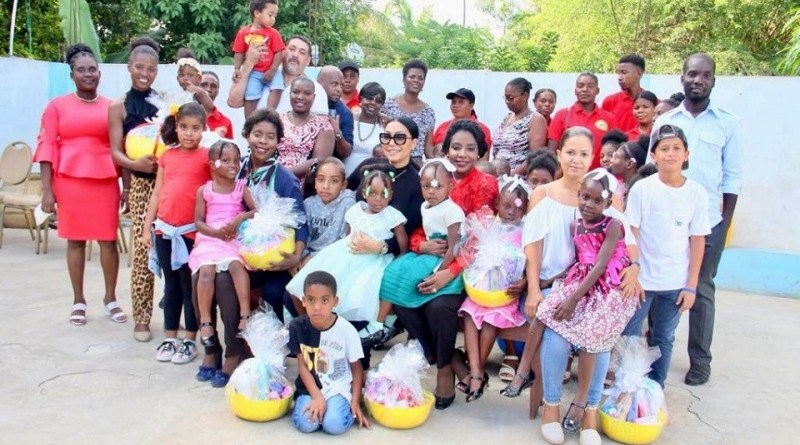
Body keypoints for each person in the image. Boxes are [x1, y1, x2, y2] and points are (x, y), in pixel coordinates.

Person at [516, 127, 640, 443]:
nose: (576, 159)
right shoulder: (544, 194)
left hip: (595, 289)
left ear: (593, 158)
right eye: (570, 151)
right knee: (557, 336)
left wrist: (635, 268)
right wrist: (533, 289)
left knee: (597, 340)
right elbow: (533, 245)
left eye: (584, 153)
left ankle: (588, 412)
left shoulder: (602, 196)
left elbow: (629, 241)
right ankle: (552, 407)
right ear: (559, 154)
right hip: (550, 284)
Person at [380, 119, 498, 410]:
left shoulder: (485, 184)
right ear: (446, 150)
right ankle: (447, 356)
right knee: (400, 294)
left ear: (481, 152)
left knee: (439, 307)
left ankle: (444, 368)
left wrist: (450, 272)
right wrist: (421, 244)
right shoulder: (436, 178)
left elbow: (478, 236)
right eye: (456, 147)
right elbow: (423, 225)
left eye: (470, 149)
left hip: (469, 265)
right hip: (431, 258)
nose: (462, 154)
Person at [652, 53, 741, 386]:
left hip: (710, 222)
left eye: (705, 75)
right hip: (665, 221)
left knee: (701, 289)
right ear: (682, 79)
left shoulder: (727, 123)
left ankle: (700, 361)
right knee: (660, 286)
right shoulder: (666, 121)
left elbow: (732, 178)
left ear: (713, 81)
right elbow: (652, 170)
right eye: (692, 74)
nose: (698, 80)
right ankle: (654, 354)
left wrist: (725, 223)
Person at [35, 43, 125, 326]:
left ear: (100, 72)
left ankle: (110, 298)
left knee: (108, 241)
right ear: (72, 74)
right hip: (69, 180)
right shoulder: (56, 106)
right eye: (81, 70)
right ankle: (78, 300)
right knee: (75, 241)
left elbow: (119, 147)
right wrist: (47, 190)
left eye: (93, 69)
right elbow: (46, 145)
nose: (88, 74)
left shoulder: (112, 106)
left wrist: (126, 186)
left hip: (105, 180)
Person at [622, 124, 710, 387]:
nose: (670, 154)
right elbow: (631, 234)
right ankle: (626, 386)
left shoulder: (696, 193)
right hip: (642, 281)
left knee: (664, 337)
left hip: (675, 282)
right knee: (630, 335)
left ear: (686, 154)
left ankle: (655, 389)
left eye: (676, 149)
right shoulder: (642, 189)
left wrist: (691, 285)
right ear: (654, 155)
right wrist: (633, 270)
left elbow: (697, 240)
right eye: (664, 149)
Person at [286, 170, 407, 334]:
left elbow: (402, 243)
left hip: (374, 260)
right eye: (373, 193)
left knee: (358, 292)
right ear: (364, 193)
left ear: (391, 194)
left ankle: (371, 326)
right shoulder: (356, 210)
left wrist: (398, 260)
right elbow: (348, 235)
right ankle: (308, 325)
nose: (378, 199)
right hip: (346, 255)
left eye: (383, 194)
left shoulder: (392, 215)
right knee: (313, 279)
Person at [141, 102, 211, 364]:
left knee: (188, 287)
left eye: (195, 128)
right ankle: (170, 336)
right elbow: (158, 192)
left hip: (191, 233)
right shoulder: (167, 156)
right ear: (176, 127)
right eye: (184, 127)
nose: (189, 133)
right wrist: (148, 226)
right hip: (165, 231)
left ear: (204, 130)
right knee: (170, 287)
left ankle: (190, 340)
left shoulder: (206, 157)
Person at [109, 36, 161, 342]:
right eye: (139, 67)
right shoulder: (118, 106)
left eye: (151, 69)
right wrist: (134, 163)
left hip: (167, 183)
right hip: (141, 184)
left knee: (173, 251)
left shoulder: (164, 103)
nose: (145, 73)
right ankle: (141, 318)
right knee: (142, 251)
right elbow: (114, 151)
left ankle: (179, 317)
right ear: (129, 67)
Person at [458, 177, 530, 402]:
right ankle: (477, 371)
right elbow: (470, 251)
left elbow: (531, 262)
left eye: (518, 208)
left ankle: (474, 375)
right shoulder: (489, 226)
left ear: (525, 208)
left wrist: (526, 279)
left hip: (505, 296)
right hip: (481, 289)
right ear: (498, 204)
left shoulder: (526, 232)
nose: (511, 212)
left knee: (490, 320)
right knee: (469, 315)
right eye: (506, 206)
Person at [378, 159, 465, 341]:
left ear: (450, 186)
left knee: (410, 279)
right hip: (426, 253)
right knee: (392, 272)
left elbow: (455, 246)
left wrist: (441, 271)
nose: (431, 191)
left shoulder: (452, 211)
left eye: (437, 187)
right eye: (426, 187)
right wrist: (422, 247)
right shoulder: (424, 206)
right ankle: (380, 323)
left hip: (443, 259)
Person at [188, 141, 256, 349]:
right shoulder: (205, 191)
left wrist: (240, 218)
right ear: (212, 165)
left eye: (236, 160)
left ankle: (245, 315)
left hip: (232, 238)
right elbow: (198, 221)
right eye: (226, 160)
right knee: (206, 272)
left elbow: (256, 210)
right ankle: (206, 321)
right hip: (210, 238)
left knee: (237, 266)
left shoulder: (241, 187)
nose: (233, 165)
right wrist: (215, 233)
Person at [289, 271, 370, 434]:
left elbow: (356, 368)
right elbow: (303, 367)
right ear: (303, 301)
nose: (317, 307)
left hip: (337, 387)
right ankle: (319, 408)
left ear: (335, 301)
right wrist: (317, 397)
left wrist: (355, 401)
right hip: (310, 388)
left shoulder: (347, 330)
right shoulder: (297, 326)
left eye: (324, 300)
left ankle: (336, 410)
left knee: (333, 425)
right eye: (311, 300)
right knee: (307, 424)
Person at [228, 35, 328, 114]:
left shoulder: (315, 90)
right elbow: (233, 102)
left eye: (302, 52)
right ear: (283, 52)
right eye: (292, 49)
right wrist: (249, 63)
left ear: (308, 61)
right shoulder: (263, 76)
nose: (295, 55)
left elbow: (320, 128)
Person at [548, 73, 619, 170]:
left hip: (599, 177)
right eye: (580, 86)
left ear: (597, 91)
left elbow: (615, 150)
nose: (585, 89)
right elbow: (552, 151)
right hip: (568, 174)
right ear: (575, 90)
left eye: (590, 86)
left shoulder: (609, 118)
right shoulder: (562, 115)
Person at [232, 0, 285, 117]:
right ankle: (249, 124)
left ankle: (270, 114)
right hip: (254, 72)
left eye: (275, 16)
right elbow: (239, 52)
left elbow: (279, 53)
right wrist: (237, 69)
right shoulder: (243, 33)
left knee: (277, 88)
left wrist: (272, 70)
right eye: (270, 15)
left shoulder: (274, 33)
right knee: (250, 96)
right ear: (257, 13)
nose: (273, 19)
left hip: (272, 70)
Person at [277, 77, 335, 178]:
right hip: (269, 178)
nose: (300, 97)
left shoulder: (322, 125)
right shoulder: (277, 120)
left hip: (302, 183)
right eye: (295, 92)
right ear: (289, 94)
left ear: (314, 97)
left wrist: (283, 175)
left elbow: (319, 161)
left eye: (307, 93)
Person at [381, 59, 436, 163]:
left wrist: (437, 162)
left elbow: (428, 149)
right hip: (391, 160)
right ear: (404, 79)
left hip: (416, 164)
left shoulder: (428, 112)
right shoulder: (387, 105)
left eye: (420, 78)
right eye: (412, 76)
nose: (416, 80)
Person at [302, 158, 356, 260]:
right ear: (315, 182)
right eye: (321, 180)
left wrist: (313, 258)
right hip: (306, 255)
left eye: (334, 181)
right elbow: (301, 237)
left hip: (333, 257)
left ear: (343, 185)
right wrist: (302, 257)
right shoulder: (308, 203)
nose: (326, 186)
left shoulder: (348, 205)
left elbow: (345, 243)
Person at [493, 78, 548, 175]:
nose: (507, 101)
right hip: (496, 175)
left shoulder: (536, 120)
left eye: (511, 98)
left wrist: (509, 176)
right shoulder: (507, 118)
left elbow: (534, 157)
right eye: (505, 98)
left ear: (525, 96)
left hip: (516, 179)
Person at [432, 88, 492, 155]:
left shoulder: (482, 129)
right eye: (453, 102)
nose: (456, 106)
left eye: (461, 102)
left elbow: (484, 159)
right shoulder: (442, 127)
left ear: (471, 106)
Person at [346, 82, 385, 175]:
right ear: (361, 98)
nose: (373, 103)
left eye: (378, 101)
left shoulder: (384, 125)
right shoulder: (349, 119)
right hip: (344, 176)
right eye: (369, 98)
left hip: (370, 179)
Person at [317, 66, 354, 161]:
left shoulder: (345, 113)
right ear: (320, 83)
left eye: (341, 86)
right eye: (334, 84)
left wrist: (337, 132)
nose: (339, 89)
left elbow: (346, 153)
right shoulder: (307, 104)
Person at [602, 54, 646, 132]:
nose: (619, 77)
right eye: (618, 73)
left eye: (624, 72)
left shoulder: (653, 103)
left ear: (639, 73)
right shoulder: (610, 101)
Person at [174, 48, 214, 115]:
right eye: (182, 75)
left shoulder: (199, 93)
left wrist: (199, 91)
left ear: (199, 78)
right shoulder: (178, 96)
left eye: (190, 75)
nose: (185, 78)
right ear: (177, 79)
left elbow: (210, 107)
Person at [201, 71, 234, 138]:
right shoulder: (183, 116)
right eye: (203, 85)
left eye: (213, 86)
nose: (208, 89)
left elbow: (230, 147)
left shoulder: (225, 122)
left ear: (217, 92)